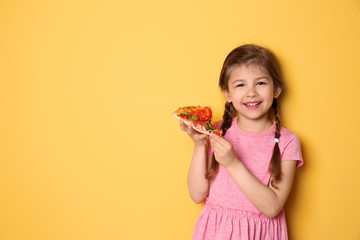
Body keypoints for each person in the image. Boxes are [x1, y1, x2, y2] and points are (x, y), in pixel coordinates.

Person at [179, 44, 303, 239]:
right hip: (216, 233)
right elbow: (197, 194)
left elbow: (272, 207)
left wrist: (233, 163)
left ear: (277, 89)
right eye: (240, 84)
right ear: (227, 93)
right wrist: (200, 144)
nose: (251, 92)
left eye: (261, 83)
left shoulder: (288, 141)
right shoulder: (218, 132)